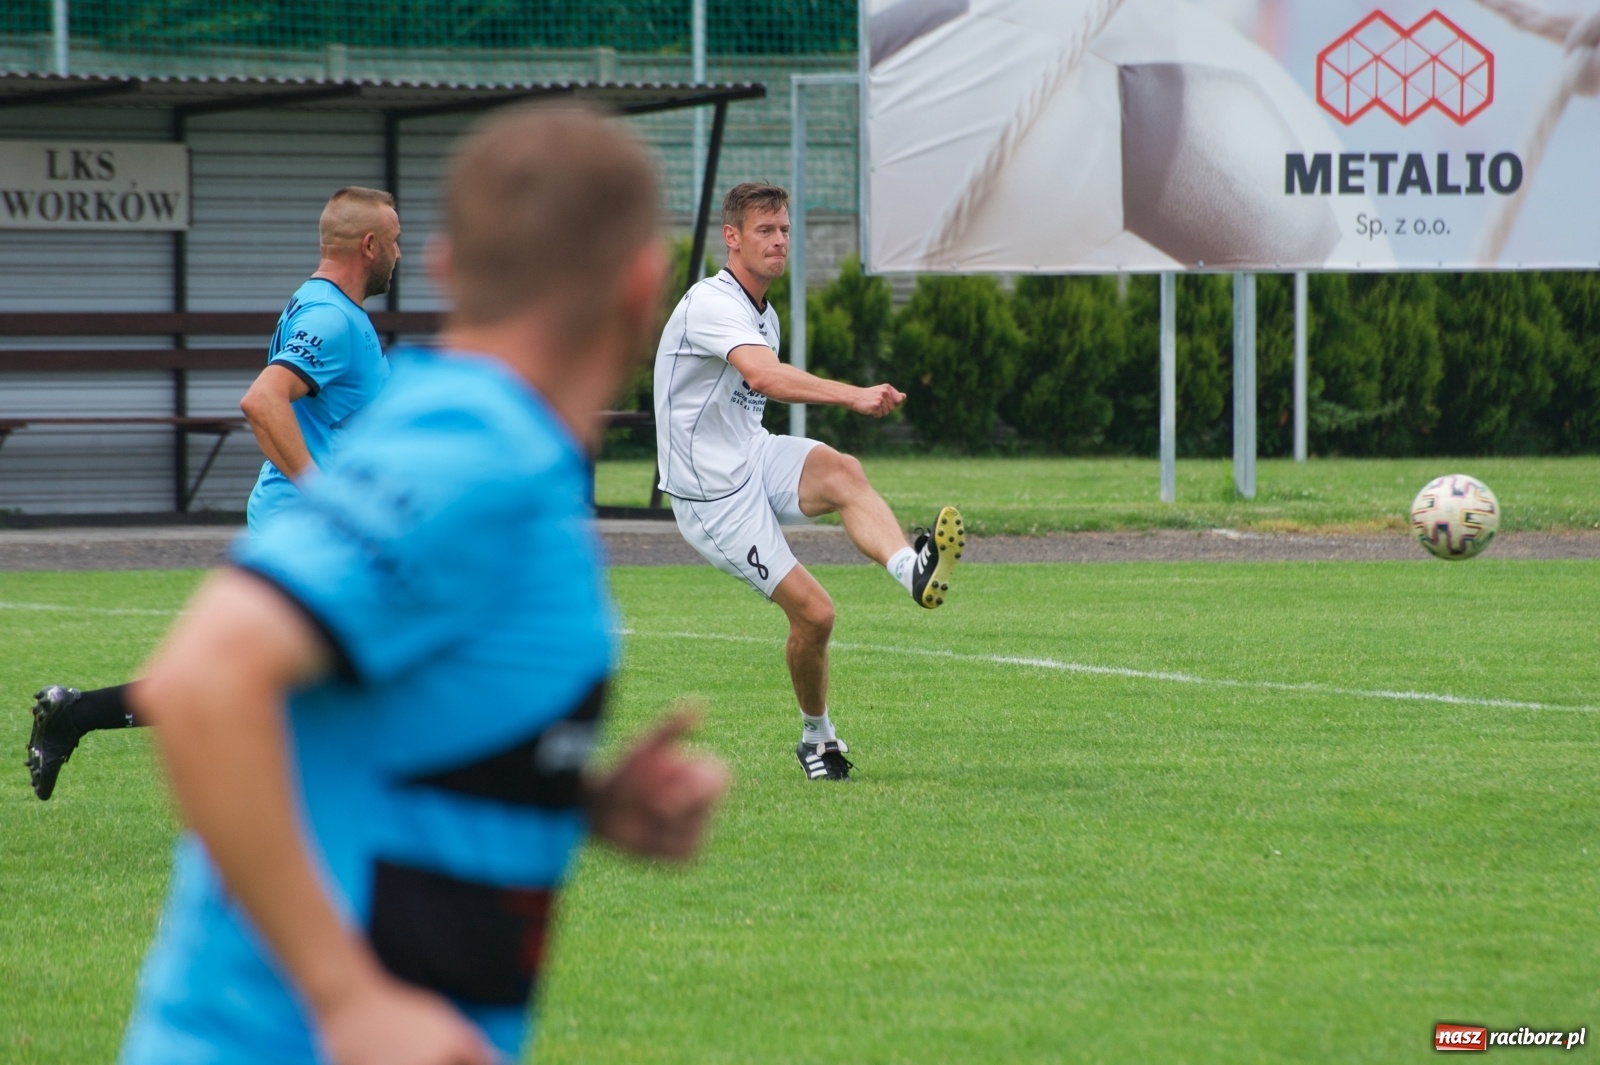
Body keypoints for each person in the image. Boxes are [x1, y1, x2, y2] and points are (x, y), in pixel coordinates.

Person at [115, 107, 727, 1065]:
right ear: (643, 284)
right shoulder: (472, 450)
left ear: (445, 266)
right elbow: (201, 685)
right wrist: (346, 995)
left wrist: (577, 800)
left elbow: (389, 737)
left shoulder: (493, 447)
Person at [24, 186, 401, 801]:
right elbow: (262, 401)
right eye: (395, 241)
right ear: (369, 245)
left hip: (315, 528)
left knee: (287, 678)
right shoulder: (331, 318)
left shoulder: (323, 306)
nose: (400, 254)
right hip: (309, 532)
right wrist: (326, 498)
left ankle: (78, 714)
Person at [653, 182, 965, 783]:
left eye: (784, 230)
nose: (779, 241)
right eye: (765, 230)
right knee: (816, 615)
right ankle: (817, 740)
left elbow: (755, 390)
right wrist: (853, 395)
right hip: (710, 496)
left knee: (844, 471)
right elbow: (764, 379)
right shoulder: (710, 303)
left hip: (752, 454)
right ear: (732, 237)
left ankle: (913, 571)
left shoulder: (763, 315)